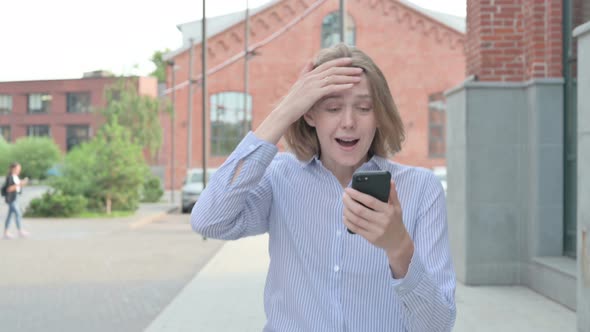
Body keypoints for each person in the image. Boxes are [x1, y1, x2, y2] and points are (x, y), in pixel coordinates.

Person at [191, 44, 456, 331]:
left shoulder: (420, 189)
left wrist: (399, 247)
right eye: (332, 108)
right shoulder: (280, 178)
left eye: (364, 108)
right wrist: (284, 110)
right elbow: (209, 220)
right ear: (309, 114)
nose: (349, 122)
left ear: (379, 115)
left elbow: (438, 325)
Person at [3, 162, 29, 239]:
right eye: (18, 169)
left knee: (10, 215)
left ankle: (6, 232)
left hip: (15, 197)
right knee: (18, 213)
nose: (19, 170)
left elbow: (17, 188)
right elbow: (9, 189)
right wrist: (20, 184)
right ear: (13, 169)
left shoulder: (16, 177)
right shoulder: (10, 177)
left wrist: (22, 183)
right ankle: (20, 230)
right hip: (11, 199)